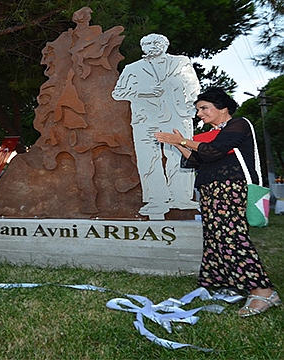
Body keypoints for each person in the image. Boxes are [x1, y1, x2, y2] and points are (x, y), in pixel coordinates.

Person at [155, 88, 280, 317]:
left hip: (231, 189)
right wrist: (178, 145)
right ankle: (230, 282)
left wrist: (182, 139)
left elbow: (214, 150)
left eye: (204, 108)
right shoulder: (213, 133)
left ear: (222, 107)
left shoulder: (239, 124)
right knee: (215, 236)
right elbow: (197, 159)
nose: (199, 114)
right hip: (211, 189)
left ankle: (264, 292)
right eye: (198, 110)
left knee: (232, 236)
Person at [112, 34, 200, 219]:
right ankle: (156, 200)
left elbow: (193, 87)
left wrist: (190, 109)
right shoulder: (132, 68)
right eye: (146, 44)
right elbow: (117, 93)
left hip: (178, 116)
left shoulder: (181, 62)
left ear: (165, 45)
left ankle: (182, 198)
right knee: (148, 159)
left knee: (181, 155)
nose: (151, 46)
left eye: (155, 43)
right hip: (146, 120)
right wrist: (143, 92)